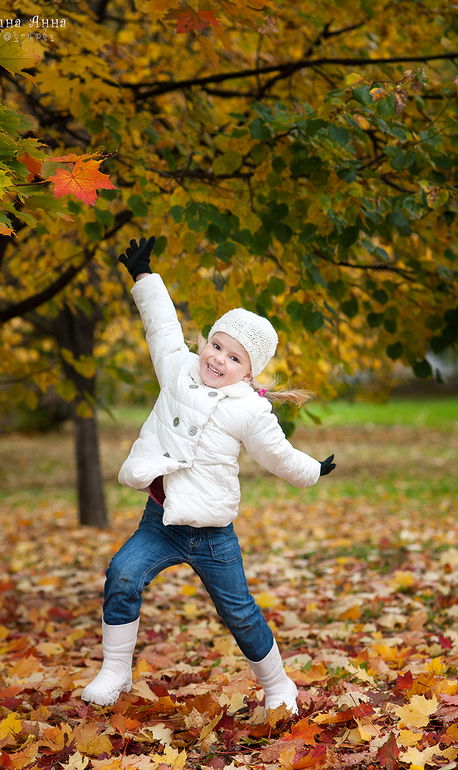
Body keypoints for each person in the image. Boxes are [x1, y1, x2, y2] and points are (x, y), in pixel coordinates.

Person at [81, 237, 336, 714]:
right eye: (216, 345)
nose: (218, 359)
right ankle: (116, 670)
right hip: (160, 522)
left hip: (213, 534)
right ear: (206, 341)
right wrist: (144, 276)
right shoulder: (177, 368)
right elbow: (160, 326)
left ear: (248, 372)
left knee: (238, 612)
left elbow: (278, 456)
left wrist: (312, 470)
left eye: (234, 357)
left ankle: (280, 685)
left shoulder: (251, 411)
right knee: (122, 574)